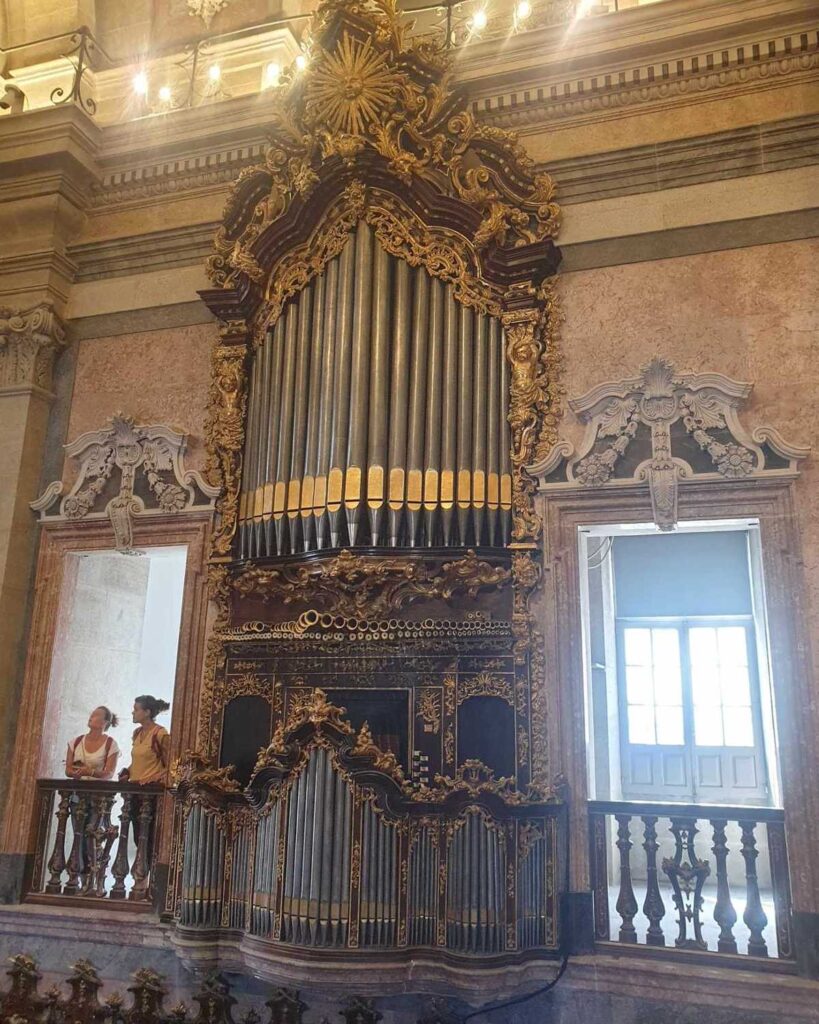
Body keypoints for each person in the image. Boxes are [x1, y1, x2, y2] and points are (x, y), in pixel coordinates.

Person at [119, 695, 171, 785]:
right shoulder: (137, 733)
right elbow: (140, 762)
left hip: (150, 790)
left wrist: (153, 778)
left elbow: (170, 765)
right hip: (134, 788)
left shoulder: (160, 733)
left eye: (136, 710)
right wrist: (127, 772)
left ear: (147, 712)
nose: (132, 712)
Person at [65, 706, 120, 781]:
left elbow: (109, 774)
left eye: (96, 715)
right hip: (77, 789)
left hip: (98, 790)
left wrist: (91, 773)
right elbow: (68, 770)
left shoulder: (111, 744)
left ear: (104, 722)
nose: (91, 717)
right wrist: (75, 773)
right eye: (91, 714)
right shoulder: (75, 742)